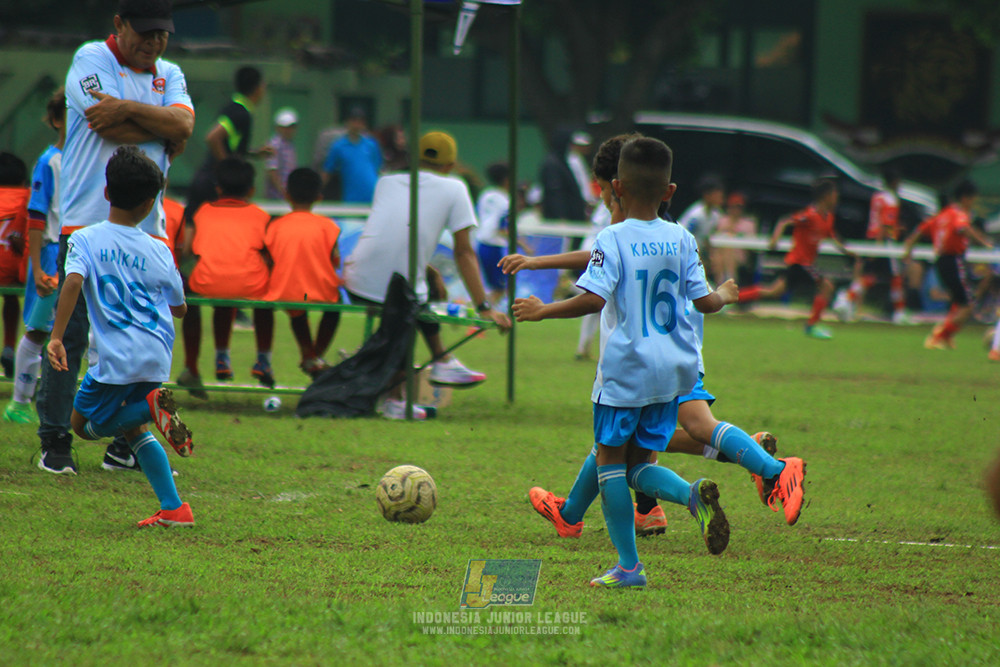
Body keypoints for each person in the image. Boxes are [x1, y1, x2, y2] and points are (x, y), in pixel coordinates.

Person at [502, 134, 806, 538]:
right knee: (645, 445)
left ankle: (765, 468)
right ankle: (593, 513)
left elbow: (599, 266)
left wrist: (541, 302)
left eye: (602, 188)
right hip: (677, 350)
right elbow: (695, 295)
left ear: (616, 186)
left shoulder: (620, 227)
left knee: (639, 445)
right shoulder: (675, 234)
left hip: (640, 356)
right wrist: (538, 262)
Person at [512, 137, 738, 588]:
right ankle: (690, 496)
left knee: (611, 463)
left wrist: (543, 310)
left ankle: (629, 568)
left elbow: (593, 298)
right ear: (670, 191)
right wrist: (727, 295)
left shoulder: (611, 237)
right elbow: (707, 302)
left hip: (624, 371)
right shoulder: (682, 235)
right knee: (639, 463)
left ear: (614, 185)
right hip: (671, 375)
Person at [36, 0, 194, 475]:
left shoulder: (172, 71)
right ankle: (55, 439)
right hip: (86, 221)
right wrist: (158, 123)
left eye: (161, 34)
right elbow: (106, 120)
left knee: (139, 337)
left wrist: (129, 111)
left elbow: (183, 125)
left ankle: (126, 443)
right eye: (144, 33)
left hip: (149, 229)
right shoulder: (91, 59)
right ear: (119, 25)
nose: (153, 43)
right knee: (75, 334)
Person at [46, 145, 193, 527]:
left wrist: (57, 336)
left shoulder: (85, 239)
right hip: (156, 353)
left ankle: (150, 405)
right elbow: (180, 308)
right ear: (151, 203)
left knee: (83, 426)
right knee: (133, 430)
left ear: (106, 192)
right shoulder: (160, 250)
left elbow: (73, 281)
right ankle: (174, 508)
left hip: (116, 359)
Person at [343, 131, 511, 420]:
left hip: (356, 278)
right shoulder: (456, 187)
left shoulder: (386, 182)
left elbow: (393, 235)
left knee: (414, 292)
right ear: (450, 165)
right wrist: (484, 306)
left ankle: (440, 360)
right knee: (411, 298)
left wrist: (429, 271)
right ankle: (404, 392)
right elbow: (463, 252)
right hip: (398, 288)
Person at [181, 158, 275, 389]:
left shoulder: (203, 212)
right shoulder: (261, 216)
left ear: (218, 189)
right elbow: (270, 254)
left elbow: (191, 250)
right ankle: (263, 359)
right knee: (265, 297)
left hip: (207, 282)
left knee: (218, 292)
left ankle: (215, 358)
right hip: (250, 285)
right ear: (251, 190)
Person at [4, 89, 64, 424]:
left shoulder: (92, 159)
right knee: (40, 329)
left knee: (81, 332)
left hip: (83, 252)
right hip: (55, 253)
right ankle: (19, 403)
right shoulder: (49, 161)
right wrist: (38, 265)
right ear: (57, 120)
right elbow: (38, 215)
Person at [737, 178, 856, 340]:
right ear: (825, 196)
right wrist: (775, 240)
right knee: (827, 285)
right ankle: (812, 326)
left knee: (773, 291)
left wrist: (847, 251)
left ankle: (727, 298)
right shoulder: (810, 215)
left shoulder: (827, 217)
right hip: (800, 262)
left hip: (802, 263)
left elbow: (832, 236)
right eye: (834, 194)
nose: (837, 197)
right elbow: (785, 221)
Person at [264, 167, 342, 376]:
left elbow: (269, 259)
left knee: (296, 306)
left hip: (283, 290)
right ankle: (315, 355)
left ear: (287, 195)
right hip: (321, 291)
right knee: (335, 306)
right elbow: (335, 259)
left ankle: (309, 354)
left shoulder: (275, 225)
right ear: (319, 197)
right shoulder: (329, 226)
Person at [902, 179, 993, 350]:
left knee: (958, 302)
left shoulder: (942, 215)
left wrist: (908, 249)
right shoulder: (959, 214)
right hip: (954, 260)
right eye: (973, 199)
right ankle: (940, 335)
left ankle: (946, 336)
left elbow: (920, 230)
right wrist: (984, 243)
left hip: (941, 261)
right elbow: (963, 229)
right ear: (966, 198)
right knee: (968, 306)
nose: (973, 203)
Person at [184, 65, 270, 225]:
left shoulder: (236, 108)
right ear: (257, 88)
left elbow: (228, 146)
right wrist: (228, 173)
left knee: (192, 232)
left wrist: (254, 153)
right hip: (211, 183)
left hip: (205, 180)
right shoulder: (240, 112)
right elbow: (213, 137)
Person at [834, 167, 909, 324]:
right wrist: (881, 244)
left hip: (871, 237)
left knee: (872, 276)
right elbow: (886, 224)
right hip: (884, 242)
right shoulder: (891, 199)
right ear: (895, 182)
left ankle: (846, 298)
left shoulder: (877, 196)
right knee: (895, 276)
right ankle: (899, 313)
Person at [0, 152, 30, 381]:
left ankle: (10, 348)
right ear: (23, 181)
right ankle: (13, 347)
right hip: (19, 272)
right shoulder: (28, 196)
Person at [322, 107, 382, 204]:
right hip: (351, 199)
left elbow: (377, 170)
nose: (357, 124)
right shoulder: (339, 146)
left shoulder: (371, 144)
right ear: (347, 122)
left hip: (372, 197)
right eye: (354, 120)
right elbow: (327, 172)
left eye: (360, 121)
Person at [678, 173, 725, 275]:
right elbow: (682, 237)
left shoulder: (716, 214)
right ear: (707, 195)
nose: (720, 196)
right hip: (684, 254)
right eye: (717, 193)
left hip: (700, 254)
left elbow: (707, 238)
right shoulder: (696, 215)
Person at [711, 191, 758, 286]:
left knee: (728, 249)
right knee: (719, 255)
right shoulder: (722, 220)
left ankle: (727, 283)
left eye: (738, 207)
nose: (736, 210)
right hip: (720, 254)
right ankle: (723, 283)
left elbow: (753, 244)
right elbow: (715, 238)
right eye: (733, 207)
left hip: (740, 255)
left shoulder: (749, 223)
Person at [264, 107, 299, 200]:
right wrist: (283, 193)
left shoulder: (290, 144)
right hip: (277, 197)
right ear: (278, 127)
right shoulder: (274, 144)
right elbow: (272, 171)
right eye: (285, 127)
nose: (289, 130)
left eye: (292, 127)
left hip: (288, 195)